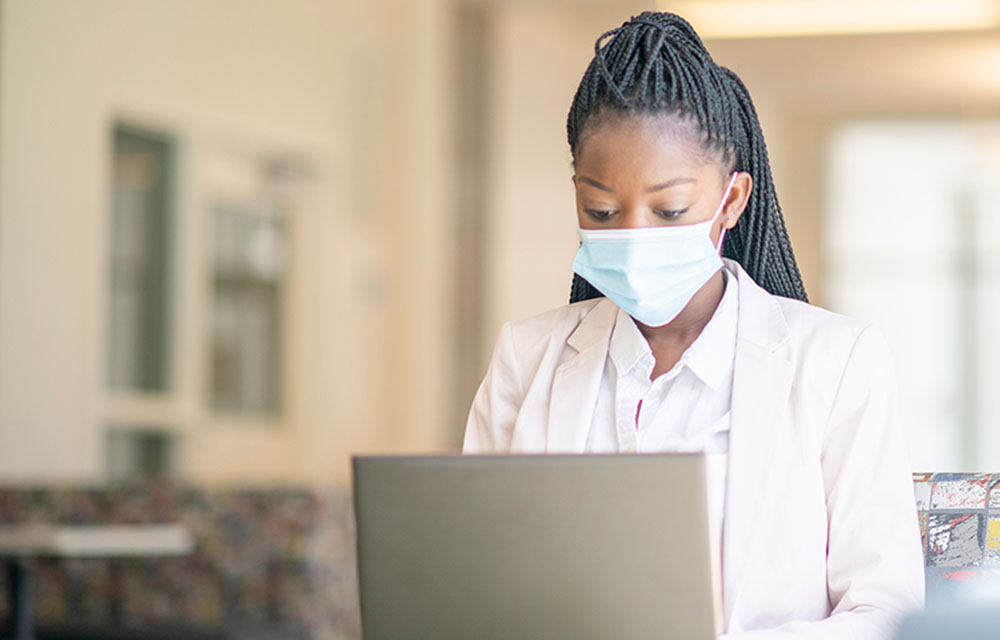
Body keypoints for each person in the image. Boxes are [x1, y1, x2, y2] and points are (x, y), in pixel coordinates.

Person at [462, 10, 925, 639]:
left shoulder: (838, 362)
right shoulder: (528, 355)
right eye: (600, 210)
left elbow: (883, 612)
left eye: (669, 208)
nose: (631, 234)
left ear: (732, 199)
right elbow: (473, 583)